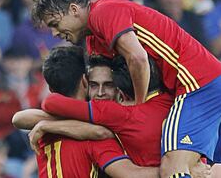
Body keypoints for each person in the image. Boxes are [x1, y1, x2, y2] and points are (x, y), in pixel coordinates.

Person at [32, 0, 221, 178]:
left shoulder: (103, 12)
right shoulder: (94, 39)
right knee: (191, 169)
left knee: (172, 167)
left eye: (55, 23)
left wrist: (140, 106)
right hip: (212, 85)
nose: (55, 32)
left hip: (199, 84)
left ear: (74, 9)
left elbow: (137, 58)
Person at [13, 46, 160, 178]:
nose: (101, 93)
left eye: (108, 85)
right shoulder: (91, 136)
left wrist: (47, 126)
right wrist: (174, 168)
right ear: (85, 82)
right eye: (94, 85)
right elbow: (131, 174)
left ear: (119, 88)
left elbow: (21, 118)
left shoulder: (47, 132)